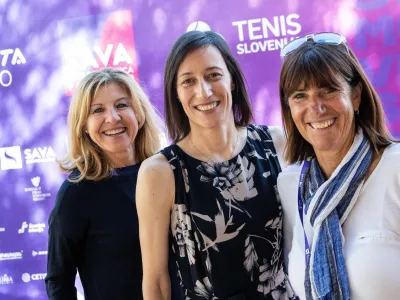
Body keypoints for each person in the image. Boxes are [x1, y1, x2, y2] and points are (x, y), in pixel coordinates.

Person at [136, 30, 295, 300]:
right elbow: (156, 282)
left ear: (231, 80)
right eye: (188, 81)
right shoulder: (160, 172)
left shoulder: (277, 144)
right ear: (175, 93)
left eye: (213, 75)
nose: (204, 91)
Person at [277, 32, 400, 300]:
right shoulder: (290, 185)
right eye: (300, 95)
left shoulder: (396, 168)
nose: (316, 107)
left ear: (355, 96)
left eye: (328, 90)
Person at [45, 68, 179, 300]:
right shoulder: (77, 193)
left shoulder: (168, 171)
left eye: (122, 105)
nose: (113, 118)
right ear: (84, 125)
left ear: (139, 113)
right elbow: (59, 280)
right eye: (98, 110)